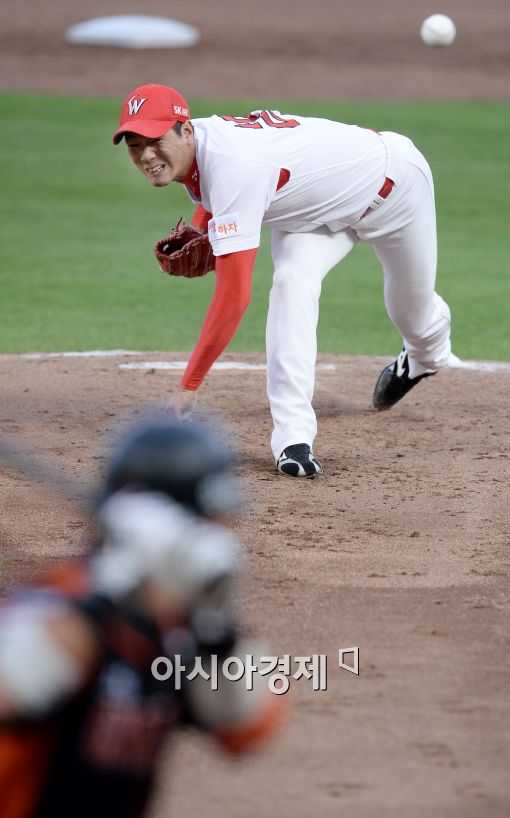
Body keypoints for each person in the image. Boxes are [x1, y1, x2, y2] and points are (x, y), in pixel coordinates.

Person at [113, 84, 452, 478]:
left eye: (154, 140)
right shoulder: (198, 143)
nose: (146, 154)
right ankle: (294, 439)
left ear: (184, 131)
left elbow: (234, 297)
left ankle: (424, 358)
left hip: (393, 190)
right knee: (291, 284)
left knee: (413, 313)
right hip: (310, 216)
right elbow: (215, 190)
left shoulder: (232, 162)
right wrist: (202, 226)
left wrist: (188, 389)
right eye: (134, 144)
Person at [0, 419, 286, 818]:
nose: (222, 535)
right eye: (209, 520)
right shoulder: (57, 601)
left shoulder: (179, 627)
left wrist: (215, 626)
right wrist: (105, 603)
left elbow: (246, 726)